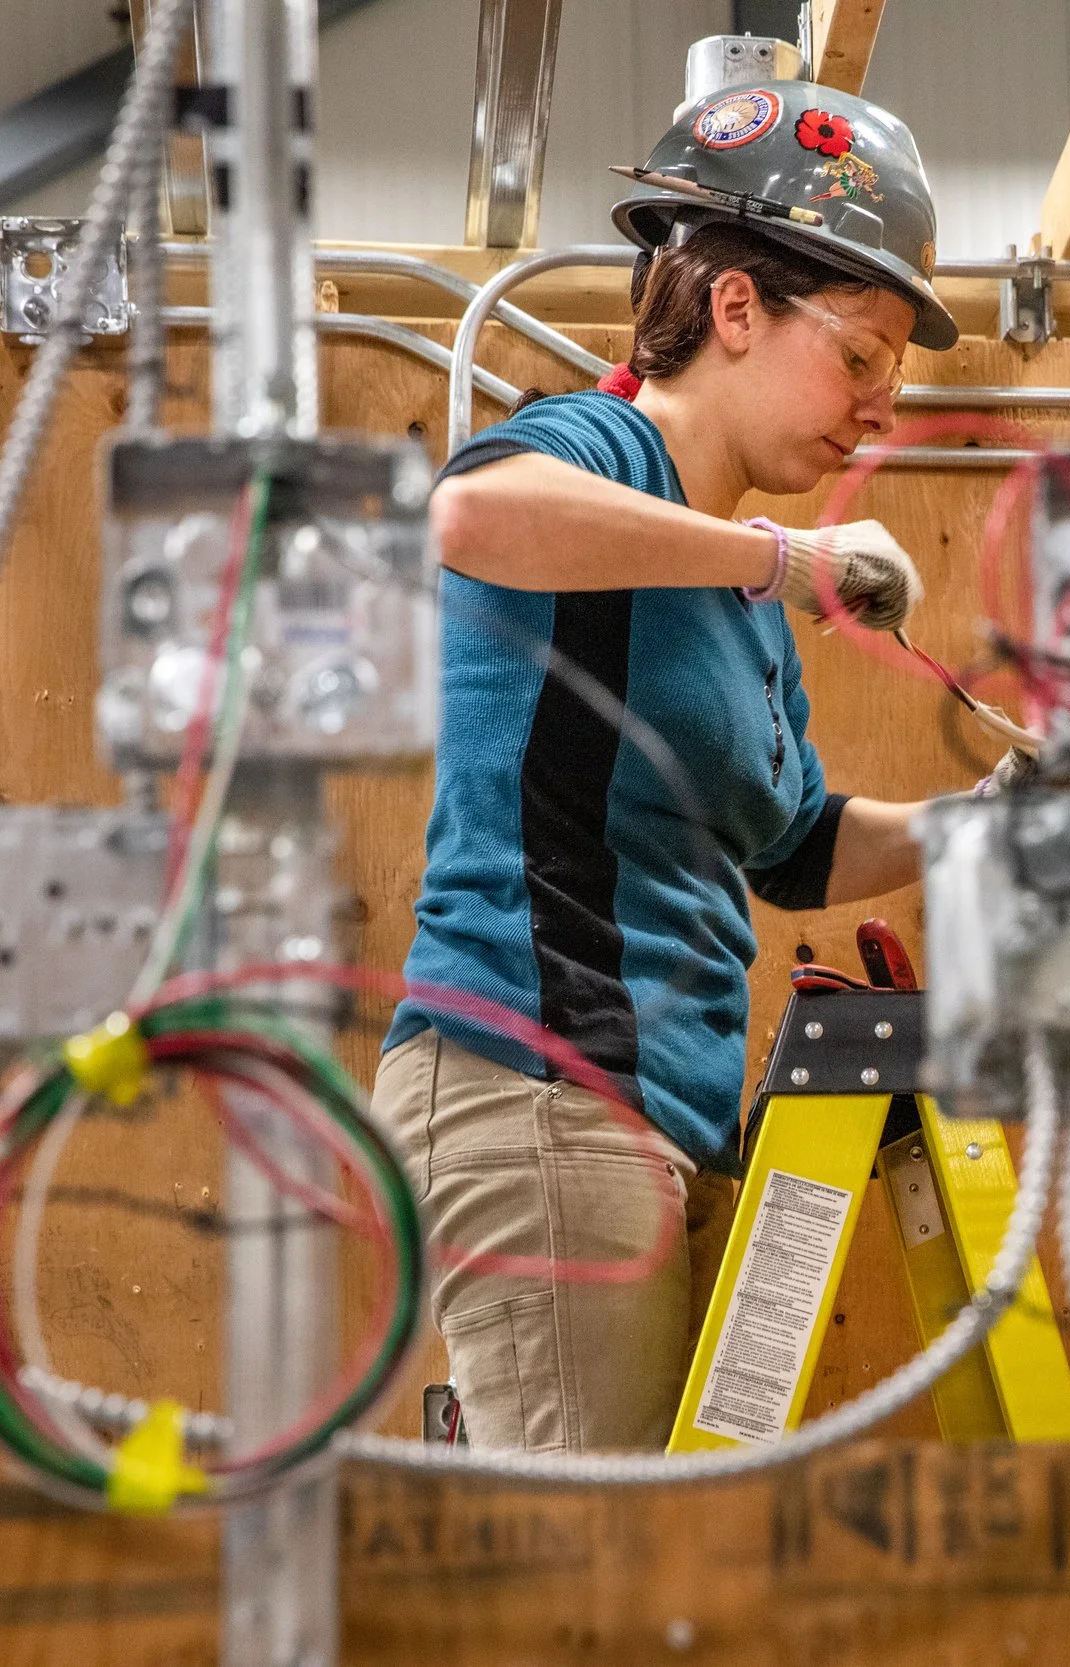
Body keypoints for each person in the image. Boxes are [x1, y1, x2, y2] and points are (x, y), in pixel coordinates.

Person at [371, 77, 960, 1452]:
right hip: (539, 1077)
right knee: (594, 1565)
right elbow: (471, 517)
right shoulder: (605, 451)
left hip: (658, 1115)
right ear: (737, 307)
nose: (880, 407)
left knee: (661, 1544)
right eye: (861, 356)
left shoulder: (747, 605)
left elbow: (795, 846)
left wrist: (991, 822)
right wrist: (781, 558)